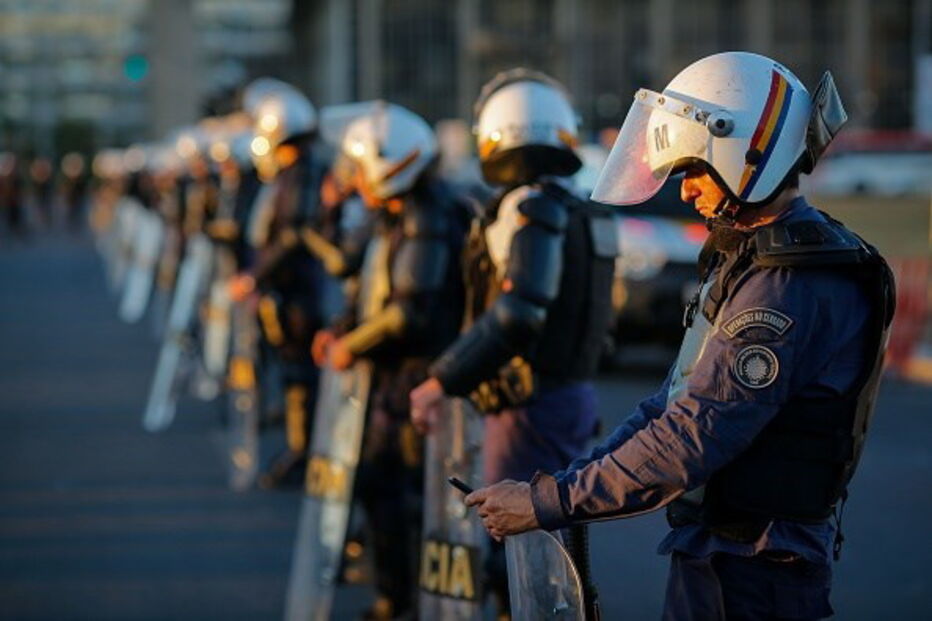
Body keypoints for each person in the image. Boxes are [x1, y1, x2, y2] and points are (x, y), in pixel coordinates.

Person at [462, 52, 896, 620]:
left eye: (691, 170)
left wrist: (549, 502)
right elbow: (669, 406)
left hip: (756, 566)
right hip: (723, 551)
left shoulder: (790, 285)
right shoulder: (751, 259)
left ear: (744, 153)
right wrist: (558, 486)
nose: (685, 193)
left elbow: (694, 436)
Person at [408, 68, 617, 610]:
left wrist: (440, 380)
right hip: (565, 397)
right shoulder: (579, 207)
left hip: (526, 409)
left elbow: (517, 313)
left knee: (523, 559)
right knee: (553, 558)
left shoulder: (530, 210)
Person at [312, 101, 467, 619]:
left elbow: (410, 312)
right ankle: (398, 594)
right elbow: (371, 291)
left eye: (360, 168)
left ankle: (411, 600)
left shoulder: (428, 213)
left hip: (415, 379)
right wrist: (340, 330)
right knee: (384, 489)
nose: (353, 179)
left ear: (387, 163)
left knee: (409, 497)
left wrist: (349, 346)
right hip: (394, 377)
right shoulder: (399, 211)